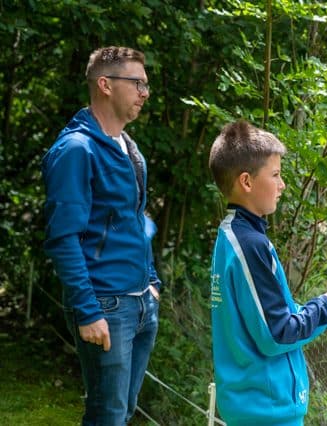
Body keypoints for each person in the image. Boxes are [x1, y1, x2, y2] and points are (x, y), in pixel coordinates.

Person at [208, 120, 327, 425]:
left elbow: (272, 318)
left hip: (255, 407)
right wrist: (325, 306)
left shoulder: (232, 235)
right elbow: (278, 335)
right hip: (266, 411)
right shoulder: (250, 245)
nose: (282, 185)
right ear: (246, 181)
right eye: (276, 175)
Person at [41, 46, 161, 425]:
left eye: (146, 85)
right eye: (137, 83)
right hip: (106, 306)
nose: (145, 93)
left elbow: (136, 220)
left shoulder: (130, 148)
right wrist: (88, 310)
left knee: (122, 413)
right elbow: (63, 239)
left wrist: (152, 282)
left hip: (141, 302)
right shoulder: (76, 150)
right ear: (105, 85)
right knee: (106, 416)